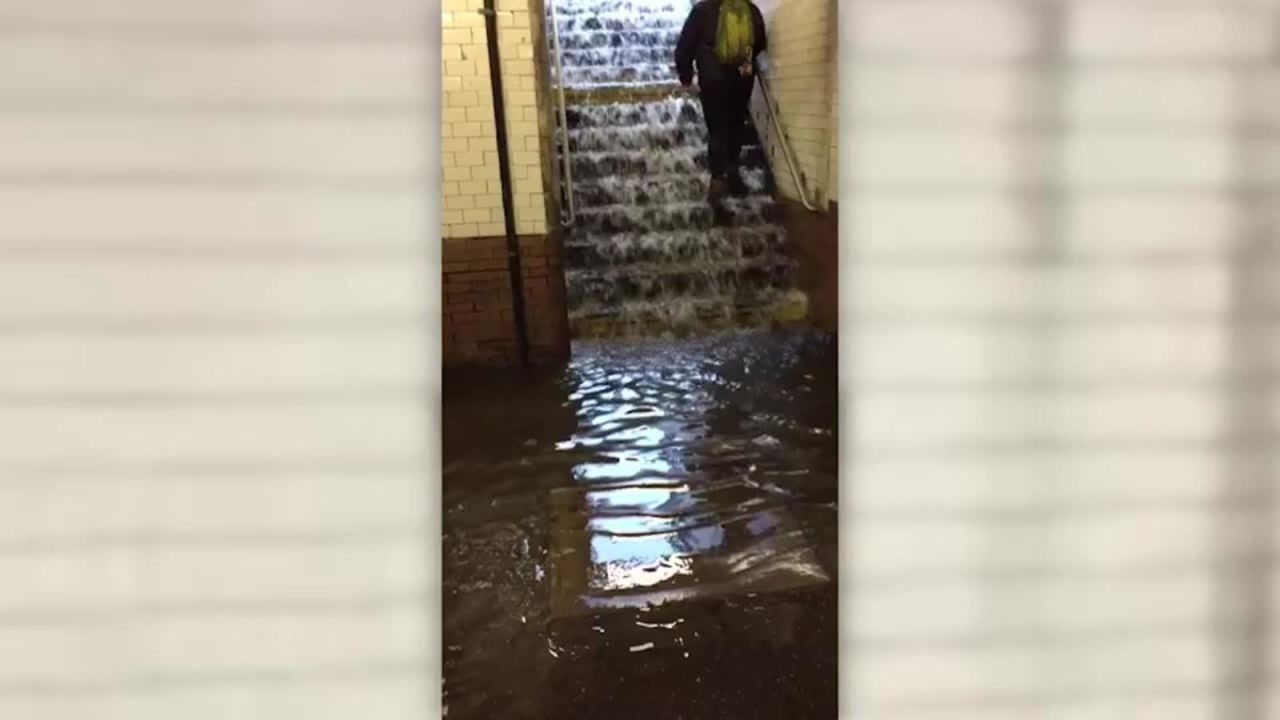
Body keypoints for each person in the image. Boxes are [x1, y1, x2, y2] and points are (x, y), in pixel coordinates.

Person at [674, 0, 768, 204]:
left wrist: (686, 76)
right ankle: (733, 171)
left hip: (712, 78)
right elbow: (760, 42)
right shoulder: (750, 10)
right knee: (737, 123)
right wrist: (744, 61)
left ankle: (717, 180)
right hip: (743, 76)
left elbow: (684, 46)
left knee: (717, 128)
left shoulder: (702, 10)